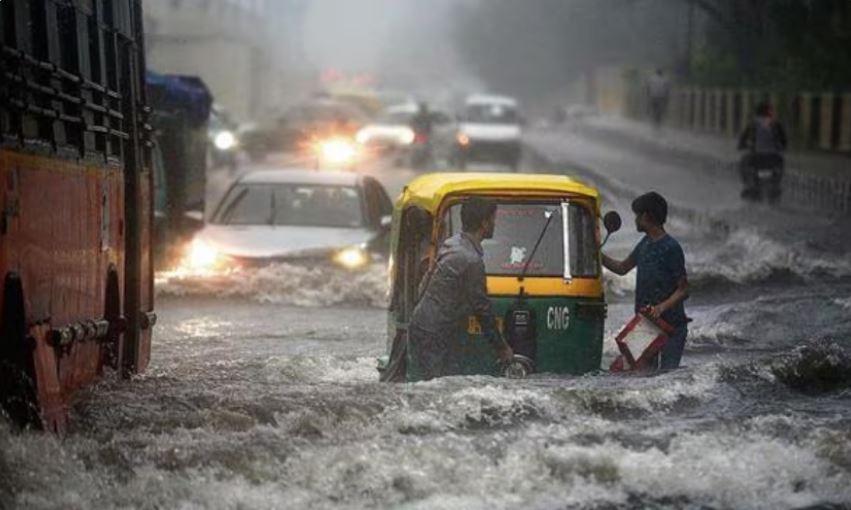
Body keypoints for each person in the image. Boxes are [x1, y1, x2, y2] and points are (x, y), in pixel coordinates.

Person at [408, 197, 514, 380]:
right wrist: (502, 347)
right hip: (434, 333)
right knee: (435, 387)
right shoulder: (471, 260)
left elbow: (425, 282)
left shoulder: (452, 243)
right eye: (494, 219)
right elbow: (482, 309)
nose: (495, 224)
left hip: (422, 324)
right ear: (484, 223)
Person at [602, 192, 690, 370]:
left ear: (646, 216)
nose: (635, 220)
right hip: (646, 324)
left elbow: (684, 290)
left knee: (667, 378)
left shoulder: (671, 247)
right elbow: (622, 268)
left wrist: (660, 308)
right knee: (636, 376)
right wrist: (597, 255)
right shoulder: (645, 243)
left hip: (671, 327)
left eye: (637, 215)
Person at [737, 101, 787, 200]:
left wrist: (742, 146)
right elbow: (784, 142)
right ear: (769, 112)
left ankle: (748, 184)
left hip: (756, 157)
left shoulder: (753, 123)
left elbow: (742, 140)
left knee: (743, 161)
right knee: (781, 162)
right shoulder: (776, 123)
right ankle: (776, 184)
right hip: (774, 158)